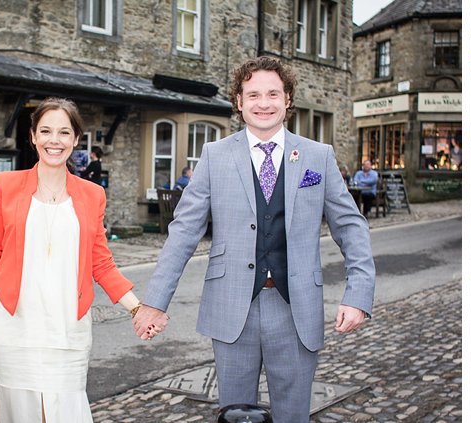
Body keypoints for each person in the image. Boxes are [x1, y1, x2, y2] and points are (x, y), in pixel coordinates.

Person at [134, 56, 375, 423]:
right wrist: (154, 302)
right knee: (235, 416)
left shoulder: (317, 157)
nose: (264, 103)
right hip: (232, 308)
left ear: (288, 99)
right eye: (254, 94)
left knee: (293, 415)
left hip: (295, 308)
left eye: (273, 94)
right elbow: (183, 231)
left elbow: (351, 226)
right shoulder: (215, 157)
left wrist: (358, 295)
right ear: (239, 102)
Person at [0, 97, 148, 423]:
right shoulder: (5, 186)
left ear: (76, 139)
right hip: (15, 328)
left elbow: (101, 263)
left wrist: (137, 308)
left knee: (67, 414)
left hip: (69, 331)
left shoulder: (93, 196)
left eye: (64, 132)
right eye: (46, 131)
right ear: (33, 136)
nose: (55, 140)